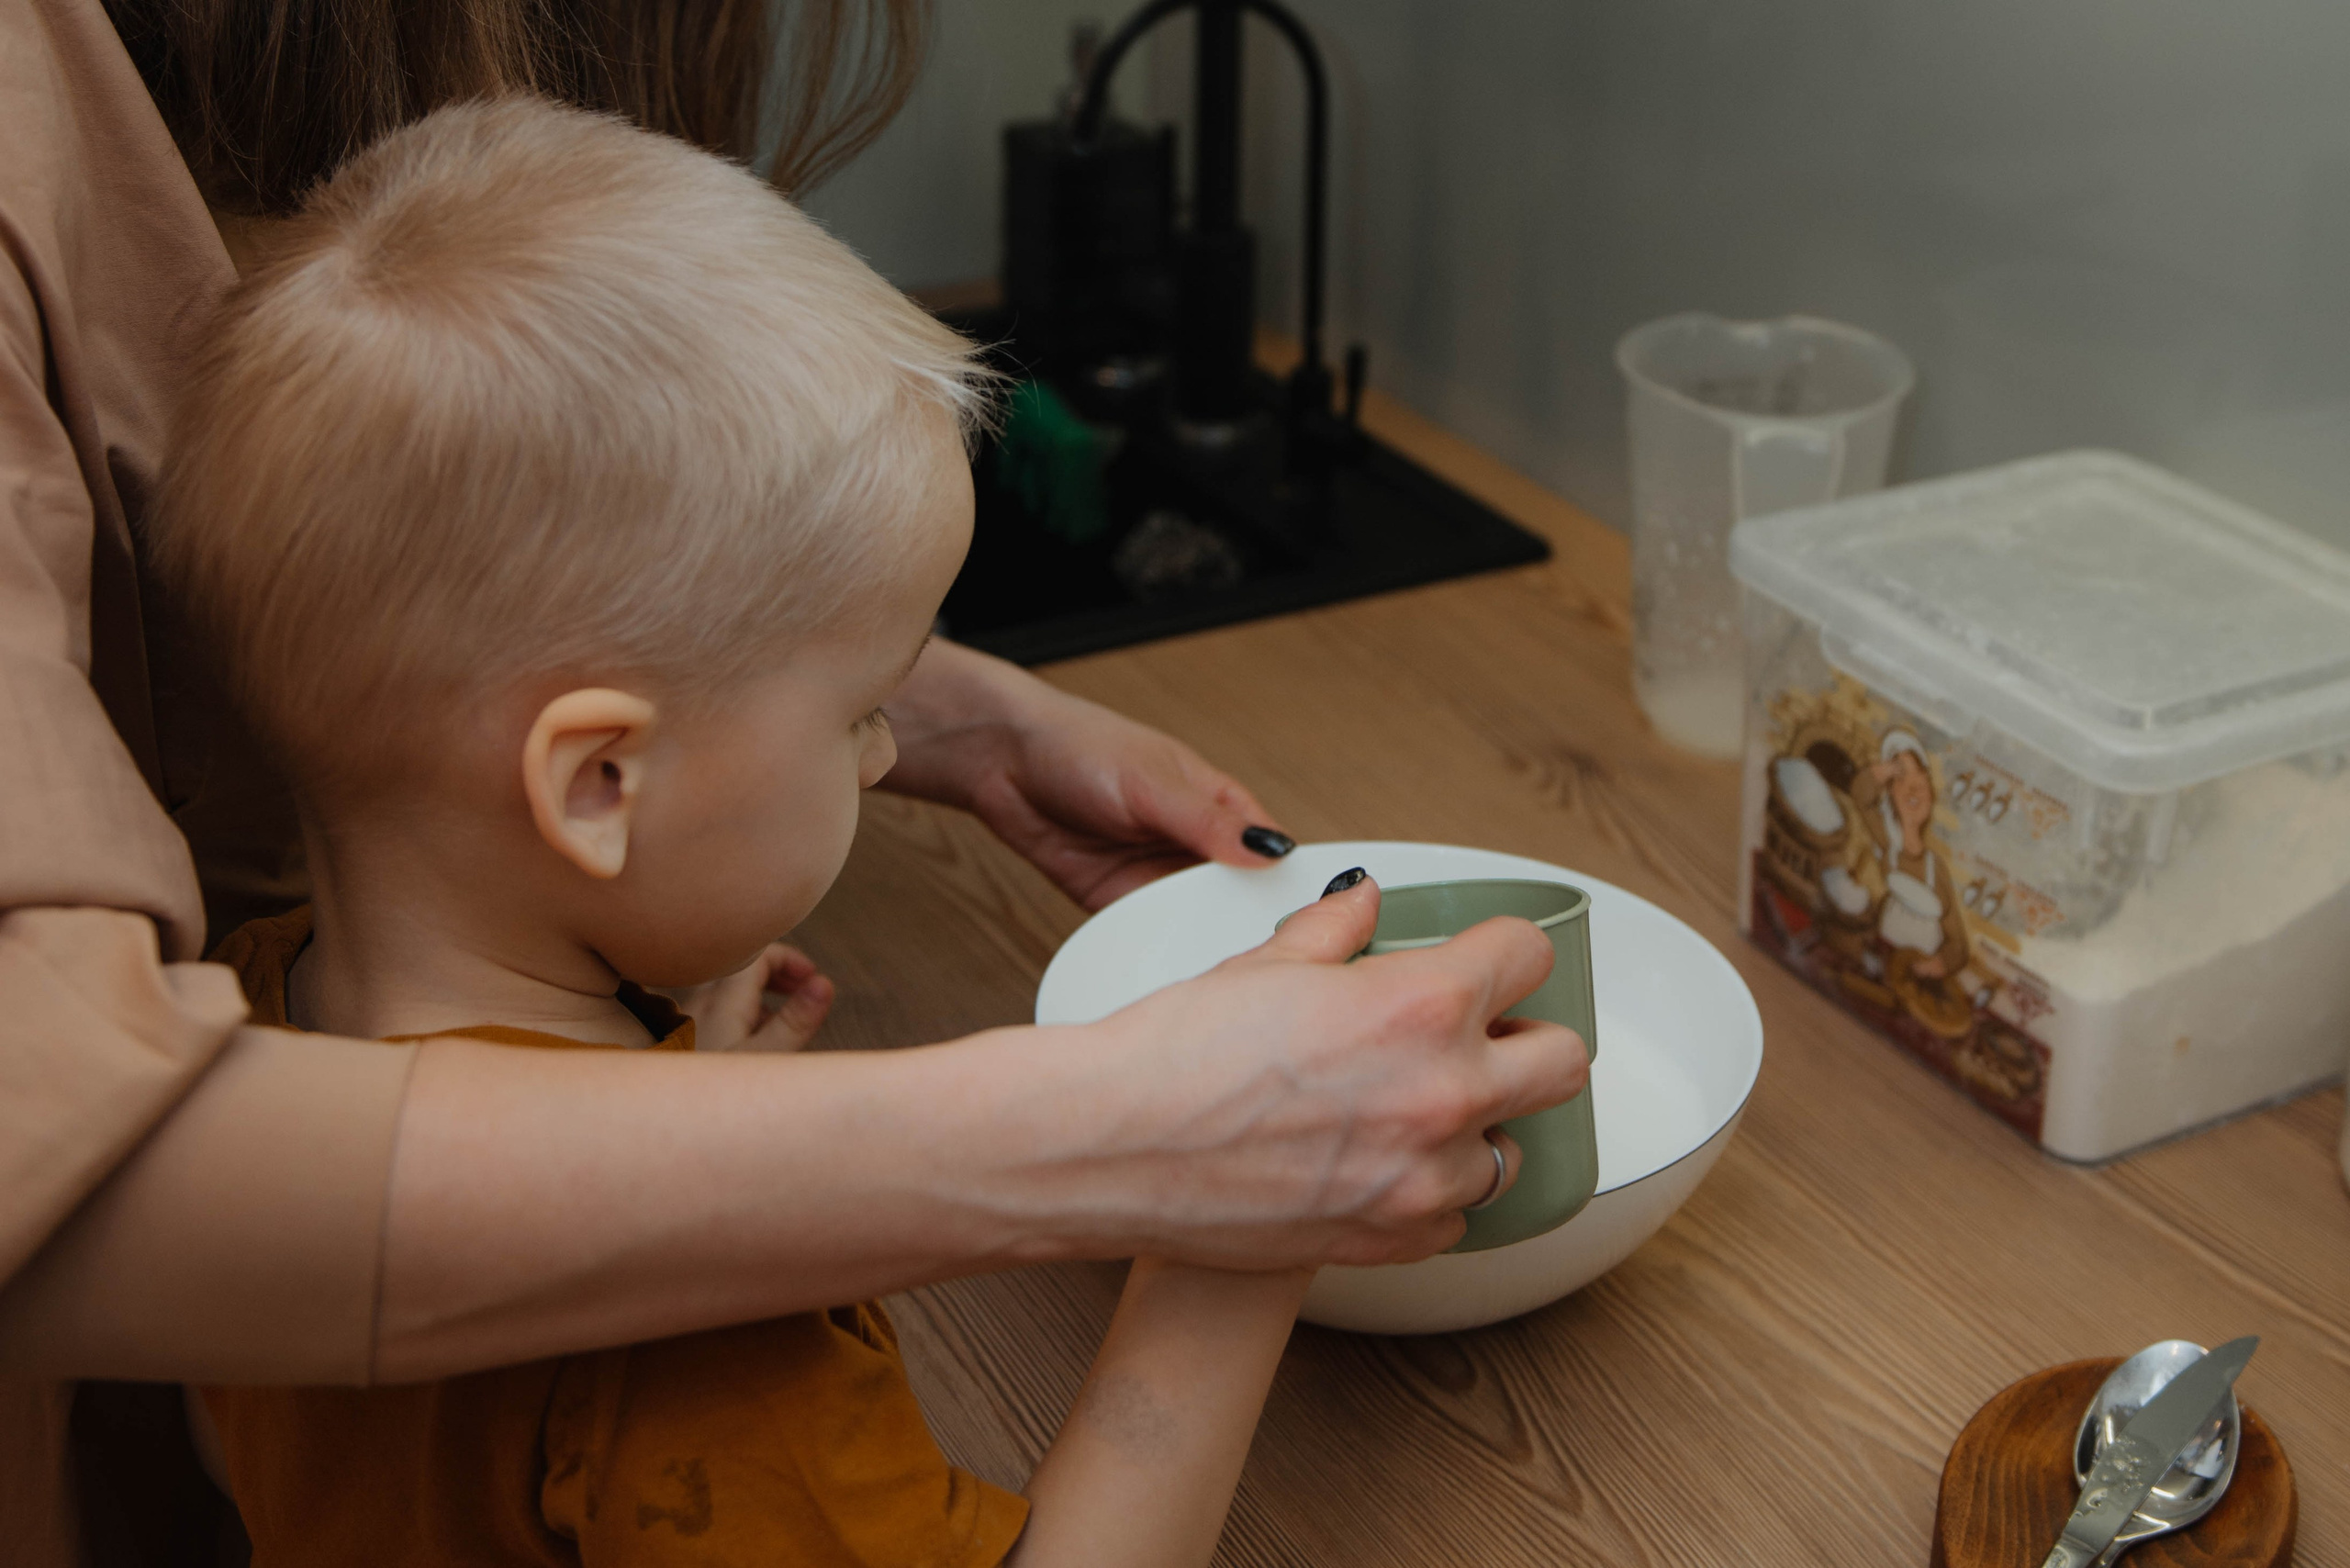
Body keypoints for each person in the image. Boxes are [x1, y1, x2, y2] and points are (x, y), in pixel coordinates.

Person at [0, 0, 1587, 1558]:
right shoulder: (706, 1365)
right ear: (597, 784)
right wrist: (1231, 1242)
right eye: (860, 714)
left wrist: (682, 1081)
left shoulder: (265, 996)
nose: (895, 749)